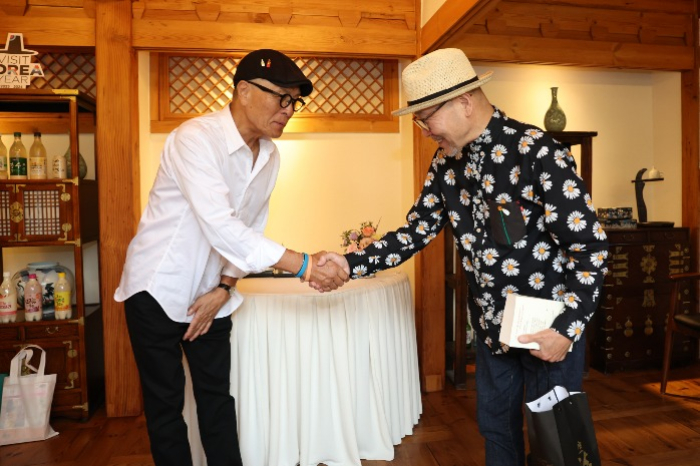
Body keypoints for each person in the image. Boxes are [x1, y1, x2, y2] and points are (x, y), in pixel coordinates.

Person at [317, 48, 609, 466]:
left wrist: (567, 328)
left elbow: (591, 248)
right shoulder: (445, 165)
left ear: (464, 102)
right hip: (492, 329)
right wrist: (349, 264)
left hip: (548, 330)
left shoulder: (538, 152)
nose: (423, 129)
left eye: (425, 117)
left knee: (555, 441)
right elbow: (417, 230)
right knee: (496, 430)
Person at [114, 49, 349, 466]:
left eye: (295, 101)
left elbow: (250, 228)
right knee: (166, 408)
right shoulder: (195, 139)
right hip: (156, 286)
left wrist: (225, 286)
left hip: (210, 293)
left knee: (217, 401)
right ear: (243, 90)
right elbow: (220, 225)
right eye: (281, 97)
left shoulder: (271, 156)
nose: (289, 110)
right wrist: (304, 265)